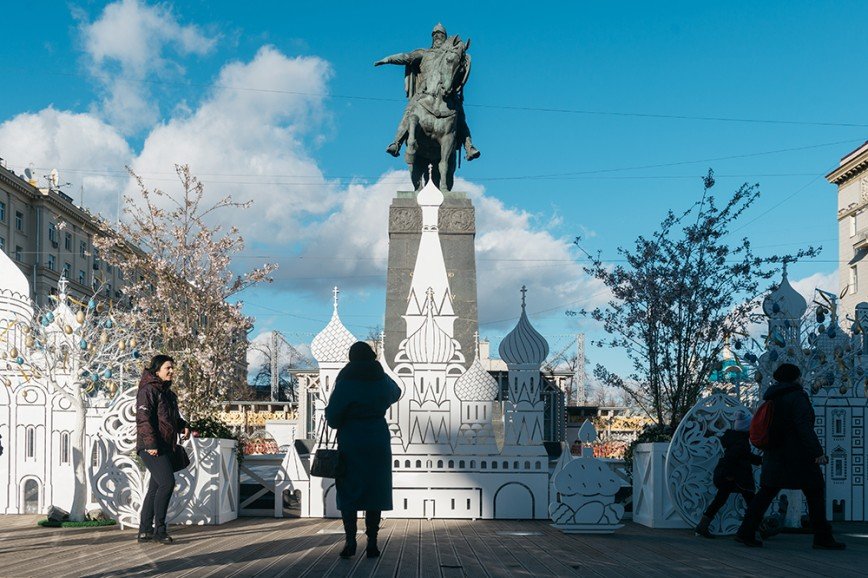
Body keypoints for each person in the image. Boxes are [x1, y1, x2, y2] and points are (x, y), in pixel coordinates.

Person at [735, 363, 845, 549]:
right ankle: (822, 537)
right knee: (815, 491)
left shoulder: (771, 398)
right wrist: (817, 453)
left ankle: (745, 531)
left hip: (774, 454)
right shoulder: (797, 397)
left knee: (766, 492)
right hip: (798, 456)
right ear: (794, 378)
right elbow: (804, 427)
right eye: (799, 376)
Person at [325, 342, 401, 559]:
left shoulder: (345, 380)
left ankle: (350, 542)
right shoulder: (381, 378)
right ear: (372, 356)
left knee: (349, 490)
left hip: (352, 440)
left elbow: (333, 418)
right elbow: (397, 392)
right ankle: (373, 543)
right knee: (374, 490)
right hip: (377, 439)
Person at [375, 23, 480, 161]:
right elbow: (406, 56)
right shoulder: (424, 53)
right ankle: (397, 142)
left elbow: (461, 68)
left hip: (447, 92)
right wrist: (388, 59)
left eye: (440, 35)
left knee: (460, 115)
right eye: (435, 35)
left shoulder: (450, 55)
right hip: (424, 93)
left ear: (445, 38)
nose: (437, 37)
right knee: (409, 112)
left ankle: (469, 146)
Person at [135, 354, 190, 544]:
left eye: (172, 368)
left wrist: (183, 426)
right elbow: (144, 419)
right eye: (168, 368)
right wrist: (150, 444)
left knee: (156, 487)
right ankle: (159, 530)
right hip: (151, 446)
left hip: (165, 445)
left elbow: (170, 418)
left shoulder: (167, 394)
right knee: (167, 483)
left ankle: (144, 530)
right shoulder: (148, 390)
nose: (172, 371)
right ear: (157, 370)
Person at [694, 412, 761, 538]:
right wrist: (730, 474)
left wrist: (759, 460)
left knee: (720, 500)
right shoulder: (741, 441)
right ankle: (753, 529)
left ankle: (702, 526)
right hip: (737, 477)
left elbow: (742, 456)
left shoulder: (735, 439)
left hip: (731, 476)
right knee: (752, 502)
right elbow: (735, 457)